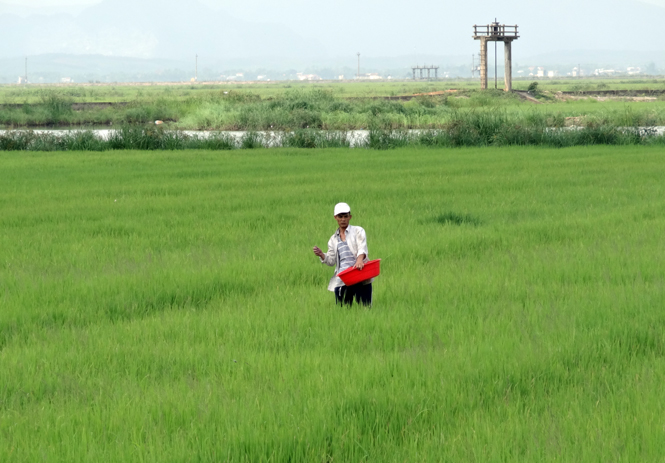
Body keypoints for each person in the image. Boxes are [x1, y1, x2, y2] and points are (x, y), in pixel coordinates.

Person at [313, 202, 373, 307]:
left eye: (346, 216)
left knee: (366, 308)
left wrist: (359, 261)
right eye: (340, 217)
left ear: (350, 217)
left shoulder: (358, 231)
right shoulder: (333, 239)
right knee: (343, 310)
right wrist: (322, 255)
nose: (343, 219)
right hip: (343, 279)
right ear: (335, 217)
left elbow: (362, 248)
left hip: (360, 274)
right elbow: (331, 261)